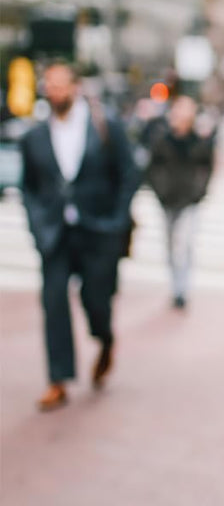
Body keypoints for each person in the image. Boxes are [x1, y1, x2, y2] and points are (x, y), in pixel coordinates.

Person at [19, 63, 140, 412]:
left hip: (98, 231)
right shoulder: (35, 136)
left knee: (96, 301)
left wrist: (117, 219)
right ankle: (58, 380)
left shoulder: (105, 127)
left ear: (76, 87)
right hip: (55, 234)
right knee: (54, 302)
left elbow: (129, 173)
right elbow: (28, 187)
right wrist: (36, 224)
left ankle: (105, 339)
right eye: (49, 85)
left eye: (61, 85)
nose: (55, 91)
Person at [145, 96, 215, 309]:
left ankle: (182, 289)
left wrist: (198, 192)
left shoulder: (199, 141)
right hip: (168, 200)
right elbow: (152, 168)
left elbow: (207, 167)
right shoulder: (162, 140)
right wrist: (161, 190)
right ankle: (175, 284)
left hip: (189, 201)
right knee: (170, 245)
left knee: (184, 244)